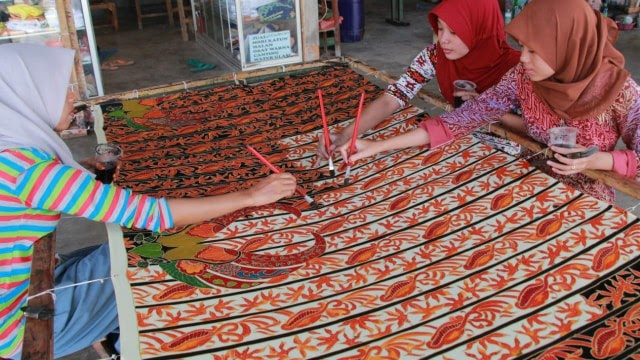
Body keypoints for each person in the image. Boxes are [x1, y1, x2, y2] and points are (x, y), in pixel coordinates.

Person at [0, 44, 298, 359]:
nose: (73, 97)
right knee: (159, 254)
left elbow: (50, 193)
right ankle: (123, 344)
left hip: (28, 283)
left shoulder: (13, 150)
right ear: (28, 96)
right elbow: (150, 215)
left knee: (121, 251)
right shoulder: (35, 173)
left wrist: (86, 168)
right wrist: (251, 196)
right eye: (61, 89)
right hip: (22, 322)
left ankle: (110, 330)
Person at [338, 0, 640, 204]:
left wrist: (600, 161)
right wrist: (374, 147)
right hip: (524, 186)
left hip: (585, 204)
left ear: (567, 48)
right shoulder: (522, 77)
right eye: (522, 47)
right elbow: (460, 120)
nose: (522, 58)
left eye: (534, 51)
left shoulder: (618, 90)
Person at [316, 0, 521, 160]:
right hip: (458, 142)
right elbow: (394, 97)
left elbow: (541, 127)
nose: (443, 39)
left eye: (455, 32)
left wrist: (493, 112)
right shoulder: (435, 56)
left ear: (480, 30)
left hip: (513, 158)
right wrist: (346, 135)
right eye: (440, 28)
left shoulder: (519, 68)